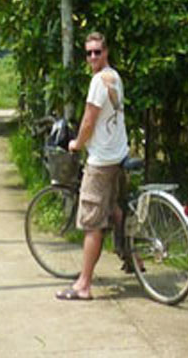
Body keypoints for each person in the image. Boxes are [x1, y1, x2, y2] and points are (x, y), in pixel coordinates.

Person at [56, 31, 128, 301]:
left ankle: (83, 285)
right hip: (119, 154)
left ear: (106, 52)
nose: (93, 57)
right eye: (89, 53)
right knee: (117, 209)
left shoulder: (99, 81)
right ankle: (134, 258)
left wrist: (76, 144)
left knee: (92, 224)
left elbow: (88, 121)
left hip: (101, 161)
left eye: (98, 51)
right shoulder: (115, 77)